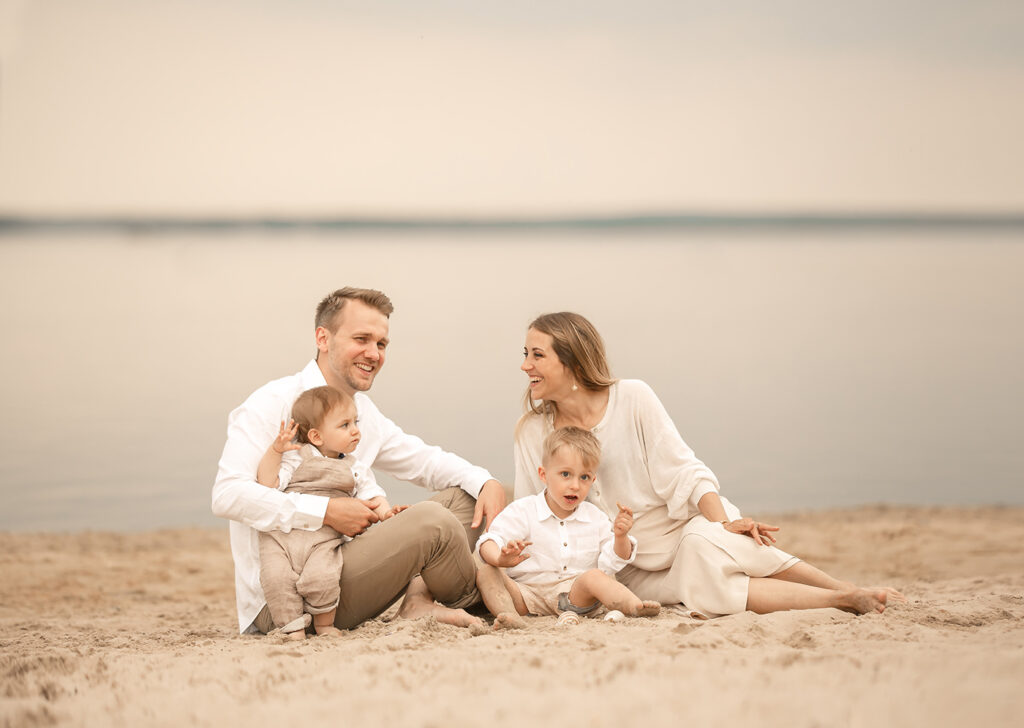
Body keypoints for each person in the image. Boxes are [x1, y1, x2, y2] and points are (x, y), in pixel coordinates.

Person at [513, 312, 905, 618]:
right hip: (626, 564)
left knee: (711, 542)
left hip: (682, 526)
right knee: (705, 578)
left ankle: (842, 587)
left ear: (573, 363)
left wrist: (721, 522)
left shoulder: (633, 398)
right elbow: (534, 510)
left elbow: (685, 470)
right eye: (525, 354)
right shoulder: (532, 432)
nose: (525, 365)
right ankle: (842, 599)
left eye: (537, 355)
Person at [212, 287, 508, 634]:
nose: (374, 353)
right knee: (432, 520)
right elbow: (227, 496)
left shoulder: (362, 414)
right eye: (362, 339)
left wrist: (485, 480)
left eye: (381, 344)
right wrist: (325, 512)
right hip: (287, 595)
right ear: (323, 338)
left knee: (466, 497)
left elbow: (425, 461)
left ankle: (418, 602)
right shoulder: (271, 403)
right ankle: (483, 598)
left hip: (341, 564)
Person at [255, 385, 406, 639]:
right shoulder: (295, 459)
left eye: (355, 422)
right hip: (281, 539)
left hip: (323, 539)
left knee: (323, 577)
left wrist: (386, 512)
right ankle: (292, 629)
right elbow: (268, 484)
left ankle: (324, 625)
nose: (355, 430)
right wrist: (275, 451)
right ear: (316, 436)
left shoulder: (354, 467)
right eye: (344, 425)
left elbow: (371, 495)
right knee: (276, 578)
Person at [477, 426, 660, 627]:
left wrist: (621, 537)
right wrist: (500, 558)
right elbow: (488, 540)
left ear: (593, 479)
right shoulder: (524, 510)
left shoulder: (595, 518)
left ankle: (634, 606)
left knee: (595, 577)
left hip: (576, 595)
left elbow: (613, 562)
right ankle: (509, 615)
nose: (575, 485)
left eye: (584, 477)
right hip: (526, 594)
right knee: (486, 572)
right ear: (544, 474)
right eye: (566, 474)